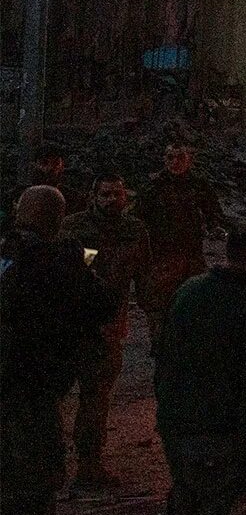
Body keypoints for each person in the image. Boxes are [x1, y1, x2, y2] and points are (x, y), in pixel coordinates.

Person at [154, 215, 246, 515]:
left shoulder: (188, 293)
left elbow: (165, 376)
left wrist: (173, 442)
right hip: (230, 452)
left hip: (186, 446)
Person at [1, 186, 115, 515]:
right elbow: (101, 305)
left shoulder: (8, 252)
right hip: (28, 389)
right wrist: (75, 261)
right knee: (36, 484)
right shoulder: (54, 260)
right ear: (58, 219)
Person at [62, 171, 153, 491]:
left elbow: (145, 279)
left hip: (110, 325)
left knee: (96, 396)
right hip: (71, 324)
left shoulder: (135, 231)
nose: (111, 200)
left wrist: (157, 318)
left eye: (116, 194)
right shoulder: (73, 228)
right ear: (93, 196)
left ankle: (88, 463)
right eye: (104, 194)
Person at [135, 134, 227, 352]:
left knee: (195, 300)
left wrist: (215, 226)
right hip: (161, 257)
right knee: (159, 304)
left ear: (189, 160)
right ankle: (160, 346)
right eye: (170, 158)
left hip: (191, 254)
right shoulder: (153, 187)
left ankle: (190, 344)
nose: (175, 162)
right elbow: (139, 218)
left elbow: (213, 210)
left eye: (180, 157)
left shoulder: (199, 184)